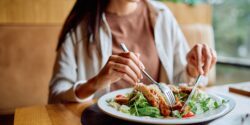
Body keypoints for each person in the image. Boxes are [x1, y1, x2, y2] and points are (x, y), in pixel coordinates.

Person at [49, 0, 217, 103]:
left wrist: (191, 71)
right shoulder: (79, 28)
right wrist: (96, 82)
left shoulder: (162, 16)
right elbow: (56, 95)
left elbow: (178, 83)